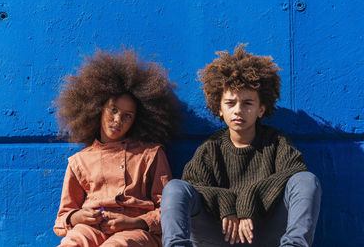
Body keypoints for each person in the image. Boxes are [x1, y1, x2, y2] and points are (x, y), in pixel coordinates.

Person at [161, 44, 321, 247]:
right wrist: (227, 203)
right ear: (219, 109)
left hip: (263, 233)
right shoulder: (210, 149)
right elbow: (194, 186)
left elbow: (294, 173)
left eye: (247, 103)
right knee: (175, 188)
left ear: (261, 110)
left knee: (306, 180)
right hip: (218, 235)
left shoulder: (276, 143)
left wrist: (249, 201)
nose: (238, 110)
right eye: (230, 103)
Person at [53, 48, 179, 247]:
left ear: (137, 120)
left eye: (127, 115)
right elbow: (63, 218)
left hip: (135, 232)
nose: (117, 119)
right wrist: (78, 217)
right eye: (113, 110)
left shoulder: (151, 154)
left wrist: (135, 222)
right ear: (97, 108)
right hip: (91, 228)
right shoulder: (79, 161)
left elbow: (169, 210)